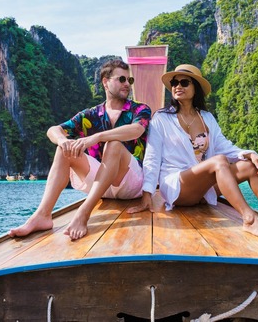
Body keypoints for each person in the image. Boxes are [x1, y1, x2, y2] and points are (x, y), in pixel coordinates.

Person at [128, 64, 258, 242]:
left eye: (184, 82)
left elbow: (224, 146)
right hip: (177, 185)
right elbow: (152, 157)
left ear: (196, 88)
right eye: (174, 82)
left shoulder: (206, 118)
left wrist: (249, 154)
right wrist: (147, 194)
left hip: (203, 187)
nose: (177, 86)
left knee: (250, 166)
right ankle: (249, 218)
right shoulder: (162, 119)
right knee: (219, 162)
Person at [8, 59, 151, 240]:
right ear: (105, 82)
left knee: (114, 144)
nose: (126, 84)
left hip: (130, 182)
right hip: (101, 184)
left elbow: (137, 130)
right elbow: (53, 130)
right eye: (121, 79)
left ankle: (84, 212)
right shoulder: (90, 115)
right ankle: (42, 215)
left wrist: (97, 137)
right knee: (64, 149)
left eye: (129, 81)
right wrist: (62, 140)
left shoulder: (140, 109)